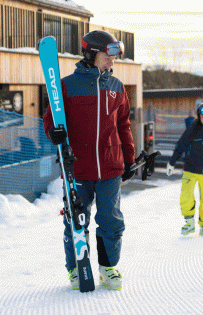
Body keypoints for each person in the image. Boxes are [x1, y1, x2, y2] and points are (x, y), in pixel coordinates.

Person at [43, 30, 135, 291]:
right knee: (75, 221)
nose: (112, 62)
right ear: (92, 53)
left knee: (111, 220)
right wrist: (55, 133)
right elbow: (50, 120)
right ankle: (75, 269)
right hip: (77, 168)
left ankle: (108, 268)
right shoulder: (66, 85)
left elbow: (123, 125)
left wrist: (128, 159)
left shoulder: (116, 88)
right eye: (108, 56)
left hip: (110, 167)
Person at [168, 102, 203, 237]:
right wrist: (171, 162)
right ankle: (189, 223)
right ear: (199, 116)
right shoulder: (192, 130)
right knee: (186, 196)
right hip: (190, 170)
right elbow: (180, 145)